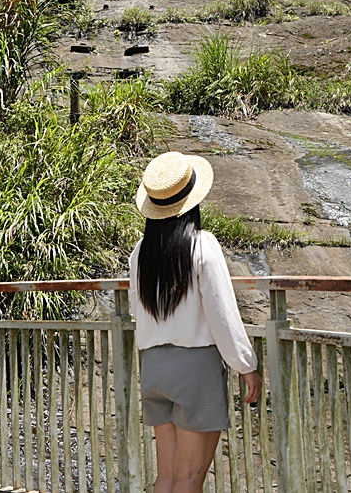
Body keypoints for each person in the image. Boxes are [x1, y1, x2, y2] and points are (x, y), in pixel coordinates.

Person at [130, 151, 262, 493]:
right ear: (192, 202)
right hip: (193, 368)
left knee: (168, 476)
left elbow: (137, 311)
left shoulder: (140, 252)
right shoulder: (202, 245)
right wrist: (245, 365)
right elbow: (222, 312)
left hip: (153, 367)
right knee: (189, 479)